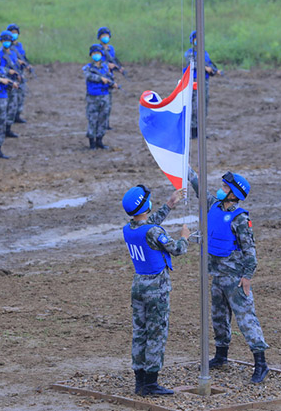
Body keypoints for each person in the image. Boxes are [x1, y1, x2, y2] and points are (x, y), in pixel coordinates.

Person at [188, 169, 270, 383]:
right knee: (218, 317)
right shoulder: (214, 206)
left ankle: (260, 363)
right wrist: (189, 173)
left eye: (225, 187)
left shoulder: (240, 218)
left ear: (234, 194)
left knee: (246, 319)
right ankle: (221, 355)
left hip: (235, 279)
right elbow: (200, 189)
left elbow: (250, 250)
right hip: (216, 275)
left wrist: (247, 276)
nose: (221, 189)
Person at [122, 185, 190, 396]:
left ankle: (140, 382)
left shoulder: (128, 229)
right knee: (156, 334)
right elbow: (177, 249)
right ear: (145, 205)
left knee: (140, 334)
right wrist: (185, 237)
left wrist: (170, 204)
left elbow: (148, 227)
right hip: (156, 288)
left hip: (138, 285)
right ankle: (151, 383)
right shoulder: (154, 232)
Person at [184, 30, 221, 139]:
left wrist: (215, 71)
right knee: (195, 105)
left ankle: (201, 131)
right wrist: (204, 68)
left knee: (203, 104)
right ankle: (193, 131)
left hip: (204, 81)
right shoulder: (190, 53)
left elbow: (209, 64)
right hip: (194, 81)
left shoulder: (204, 53)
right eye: (196, 39)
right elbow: (192, 64)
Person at [82, 44, 116, 149]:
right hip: (93, 97)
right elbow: (88, 76)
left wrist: (112, 83)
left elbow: (110, 78)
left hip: (104, 96)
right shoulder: (88, 68)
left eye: (98, 53)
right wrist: (100, 78)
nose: (96, 55)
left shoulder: (105, 67)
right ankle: (92, 142)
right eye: (94, 53)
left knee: (103, 118)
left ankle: (99, 140)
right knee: (93, 119)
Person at [0, 30, 22, 139]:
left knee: (12, 107)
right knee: (3, 107)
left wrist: (18, 75)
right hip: (4, 83)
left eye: (8, 40)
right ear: (1, 41)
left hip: (13, 84)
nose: (6, 42)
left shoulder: (13, 54)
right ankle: (0, 129)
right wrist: (7, 71)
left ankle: (8, 129)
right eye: (4, 40)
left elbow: (16, 66)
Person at [6, 23, 31, 124]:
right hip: (11, 74)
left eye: (15, 33)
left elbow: (23, 57)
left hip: (20, 73)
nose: (14, 35)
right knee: (12, 97)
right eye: (12, 33)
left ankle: (17, 115)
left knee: (21, 94)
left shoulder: (19, 46)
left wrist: (27, 65)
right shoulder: (7, 48)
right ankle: (9, 117)